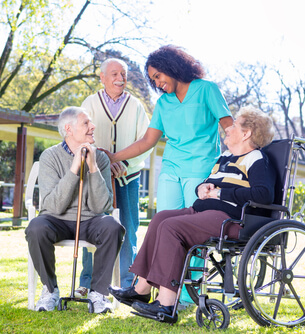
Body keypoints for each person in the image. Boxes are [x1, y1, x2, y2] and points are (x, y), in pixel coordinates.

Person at [108, 107, 276, 319]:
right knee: (160, 218)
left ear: (246, 133)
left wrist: (221, 193)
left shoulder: (256, 158)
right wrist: (201, 188)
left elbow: (264, 194)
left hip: (231, 220)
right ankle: (141, 289)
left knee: (172, 227)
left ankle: (166, 304)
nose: (228, 128)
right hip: (204, 212)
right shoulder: (225, 157)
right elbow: (209, 184)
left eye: (234, 125)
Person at [100, 45, 234, 307]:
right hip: (171, 168)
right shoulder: (163, 103)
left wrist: (243, 159)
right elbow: (148, 141)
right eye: (153, 80)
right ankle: (151, 288)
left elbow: (229, 127)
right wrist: (112, 157)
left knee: (193, 231)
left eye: (159, 76)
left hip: (201, 169)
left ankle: (184, 295)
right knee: (162, 226)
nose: (158, 84)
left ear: (173, 67)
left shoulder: (206, 90)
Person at [25, 107, 125, 313]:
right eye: (86, 123)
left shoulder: (101, 159)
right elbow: (53, 206)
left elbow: (101, 207)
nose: (93, 126)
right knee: (36, 227)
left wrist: (93, 167)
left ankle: (98, 294)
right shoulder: (49, 156)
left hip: (91, 221)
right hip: (56, 220)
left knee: (112, 226)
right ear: (69, 129)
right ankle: (50, 290)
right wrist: (74, 168)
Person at [76, 58, 152, 294]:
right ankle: (87, 283)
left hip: (127, 177)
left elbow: (147, 142)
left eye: (124, 74)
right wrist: (101, 161)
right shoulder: (89, 103)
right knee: (93, 227)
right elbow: (80, 136)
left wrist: (124, 162)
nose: (120, 79)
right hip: (95, 177)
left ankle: (128, 283)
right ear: (102, 77)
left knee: (128, 228)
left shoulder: (136, 106)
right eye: (114, 74)